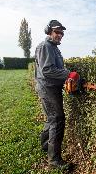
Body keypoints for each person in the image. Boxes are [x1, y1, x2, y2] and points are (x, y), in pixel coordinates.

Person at [34, 20, 79, 168]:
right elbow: (47, 70)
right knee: (57, 120)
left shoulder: (53, 48)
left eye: (62, 32)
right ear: (49, 31)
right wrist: (69, 74)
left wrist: (66, 79)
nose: (60, 35)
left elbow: (55, 69)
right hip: (47, 89)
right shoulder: (45, 47)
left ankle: (46, 146)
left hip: (51, 88)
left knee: (51, 118)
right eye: (57, 32)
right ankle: (54, 160)